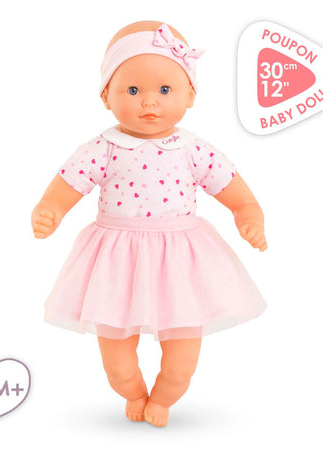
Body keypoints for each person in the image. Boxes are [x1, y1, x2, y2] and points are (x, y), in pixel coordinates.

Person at [31, 20, 267, 427]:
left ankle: (164, 397)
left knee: (181, 362)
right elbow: (67, 185)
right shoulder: (102, 148)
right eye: (133, 90)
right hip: (115, 260)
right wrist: (50, 209)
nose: (149, 102)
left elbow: (236, 192)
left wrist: (248, 214)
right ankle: (133, 392)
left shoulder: (193, 150)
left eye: (165, 90)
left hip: (181, 261)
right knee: (117, 364)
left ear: (190, 94)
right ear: (106, 96)